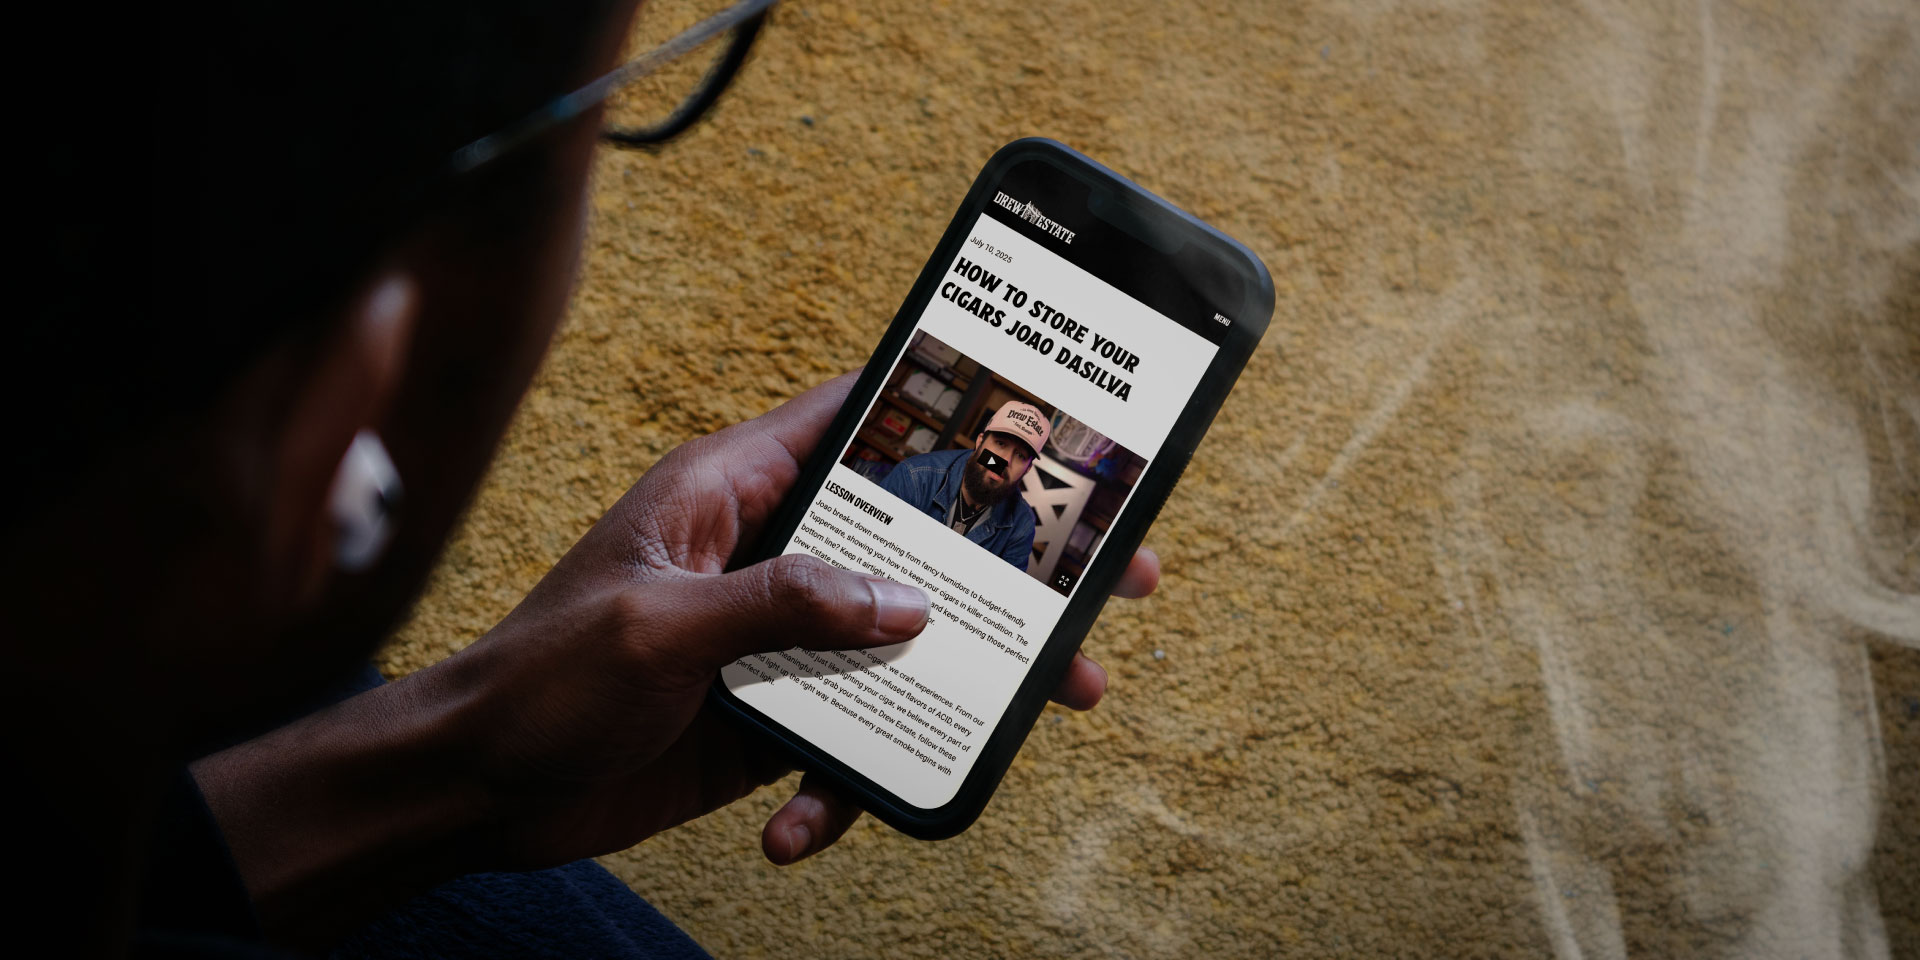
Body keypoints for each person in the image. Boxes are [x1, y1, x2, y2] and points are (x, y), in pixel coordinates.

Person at [9, 2, 1160, 956]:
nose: (1004, 456)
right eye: (600, 126)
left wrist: (464, 768)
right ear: (330, 433)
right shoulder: (926, 475)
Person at [879, 401, 1049, 571]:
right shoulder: (915, 476)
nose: (1005, 461)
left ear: (1027, 469)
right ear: (980, 442)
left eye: (1020, 455)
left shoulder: (1022, 524)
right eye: (1001, 444)